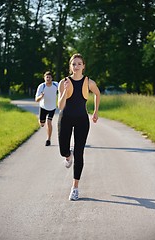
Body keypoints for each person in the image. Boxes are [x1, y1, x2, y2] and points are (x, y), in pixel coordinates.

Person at [58, 53, 100, 201]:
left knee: (80, 152)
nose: (76, 66)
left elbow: (97, 93)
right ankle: (68, 156)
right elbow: (60, 106)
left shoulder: (89, 82)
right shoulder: (64, 82)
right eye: (73, 64)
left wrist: (95, 111)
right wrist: (64, 90)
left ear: (83, 66)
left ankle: (75, 187)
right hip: (66, 118)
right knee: (63, 150)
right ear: (70, 66)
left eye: (79, 64)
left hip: (82, 120)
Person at [35, 71, 58, 146]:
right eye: (46, 77)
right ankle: (41, 120)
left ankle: (48, 139)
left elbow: (62, 90)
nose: (48, 79)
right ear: (44, 78)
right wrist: (41, 96)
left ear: (52, 78)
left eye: (49, 77)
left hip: (52, 107)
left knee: (49, 122)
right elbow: (36, 100)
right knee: (42, 124)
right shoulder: (42, 86)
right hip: (43, 107)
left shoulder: (56, 84)